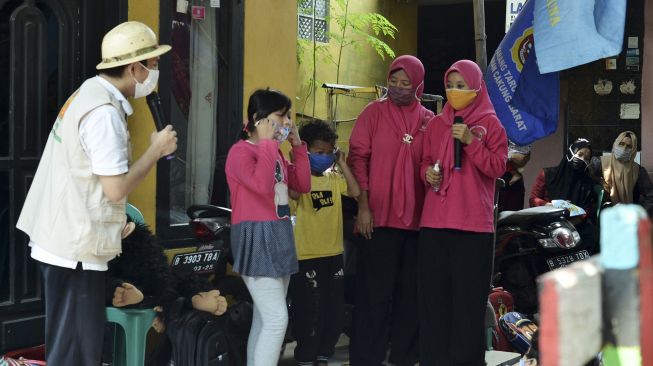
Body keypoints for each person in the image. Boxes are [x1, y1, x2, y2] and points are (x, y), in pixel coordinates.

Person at [15, 21, 177, 365]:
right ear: (135, 68)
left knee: (74, 345)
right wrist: (156, 150)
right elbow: (116, 188)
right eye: (154, 65)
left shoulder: (90, 92)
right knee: (76, 350)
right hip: (74, 248)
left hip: (65, 239)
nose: (155, 73)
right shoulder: (104, 114)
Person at [420, 59, 508, 366]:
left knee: (467, 304)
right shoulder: (436, 124)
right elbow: (425, 160)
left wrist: (470, 142)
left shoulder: (491, 123)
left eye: (462, 86)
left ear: (476, 87)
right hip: (434, 223)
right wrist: (427, 174)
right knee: (434, 301)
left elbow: (497, 168)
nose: (455, 91)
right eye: (450, 85)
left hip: (472, 227)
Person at [347, 55, 434, 366]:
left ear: (418, 85)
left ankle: (404, 357)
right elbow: (358, 159)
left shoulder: (427, 119)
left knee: (410, 295)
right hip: (378, 217)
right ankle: (366, 358)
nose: (397, 88)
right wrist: (364, 207)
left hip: (416, 221)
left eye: (405, 83)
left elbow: (433, 162)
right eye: (393, 82)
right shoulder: (373, 113)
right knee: (374, 295)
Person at [225, 88, 311, 366]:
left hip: (278, 234)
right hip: (255, 236)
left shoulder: (272, 151)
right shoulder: (240, 153)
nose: (287, 123)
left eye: (287, 117)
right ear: (259, 118)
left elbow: (303, 186)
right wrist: (266, 144)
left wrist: (298, 147)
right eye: (281, 116)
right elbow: (262, 186)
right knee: (276, 320)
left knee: (265, 320)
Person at [288, 120, 360, 366]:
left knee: (333, 312)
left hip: (333, 254)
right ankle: (306, 357)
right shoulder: (299, 181)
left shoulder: (332, 178)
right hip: (306, 256)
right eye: (319, 153)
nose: (325, 157)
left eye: (329, 152)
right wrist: (298, 160)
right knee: (310, 312)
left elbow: (355, 191)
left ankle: (323, 355)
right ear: (306, 151)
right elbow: (294, 196)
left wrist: (341, 162)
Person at [529, 138, 602, 251]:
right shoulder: (548, 174)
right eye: (580, 154)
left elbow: (584, 213)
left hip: (575, 228)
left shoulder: (587, 185)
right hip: (545, 225)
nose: (582, 159)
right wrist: (552, 206)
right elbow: (533, 199)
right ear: (570, 152)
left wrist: (567, 227)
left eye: (586, 158)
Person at [601, 131, 653, 216]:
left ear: (633, 150)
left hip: (628, 219)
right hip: (603, 219)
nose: (624, 148)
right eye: (621, 144)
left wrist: (640, 216)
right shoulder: (599, 164)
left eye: (629, 146)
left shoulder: (638, 171)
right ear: (615, 144)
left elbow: (650, 196)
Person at [498, 143, 531, 212]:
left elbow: (522, 158)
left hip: (512, 178)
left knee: (513, 215)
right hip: (498, 176)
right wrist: (511, 156)